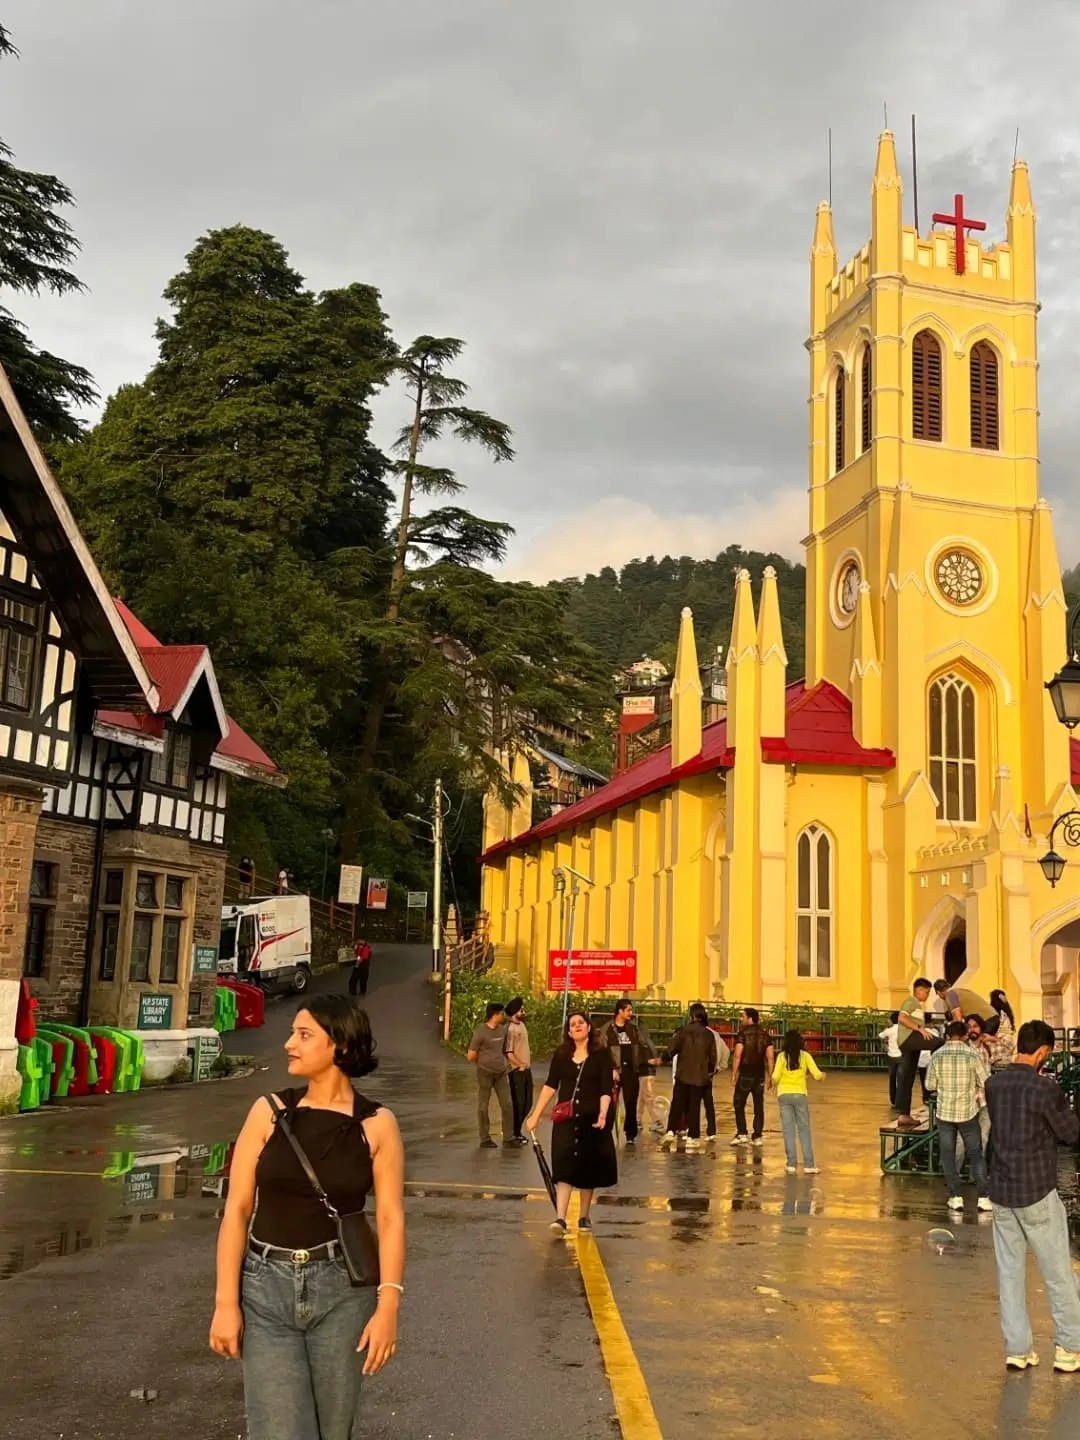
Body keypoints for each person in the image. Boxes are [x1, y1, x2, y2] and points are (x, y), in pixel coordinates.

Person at [209, 996, 405, 1440]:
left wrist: (388, 1306)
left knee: (333, 1432)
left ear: (338, 1044)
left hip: (343, 1293)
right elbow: (237, 1210)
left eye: (303, 1035)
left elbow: (391, 1218)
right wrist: (226, 1303)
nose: (287, 1045)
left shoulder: (376, 1124)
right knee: (278, 1430)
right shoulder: (269, 1112)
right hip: (265, 1289)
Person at [985, 1019, 1080, 1373]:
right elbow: (1070, 1133)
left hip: (1002, 1190)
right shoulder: (1045, 1089)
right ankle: (1070, 1347)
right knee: (1058, 1272)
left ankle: (1018, 1349)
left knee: (1009, 1272)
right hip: (1037, 1189)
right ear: (1042, 1052)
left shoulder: (994, 1084)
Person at [526, 1010, 616, 1233]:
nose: (576, 1026)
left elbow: (606, 1089)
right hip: (565, 1120)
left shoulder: (601, 1055)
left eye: (580, 1023)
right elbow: (550, 1086)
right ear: (568, 1031)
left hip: (592, 1119)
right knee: (564, 1165)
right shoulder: (561, 1054)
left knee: (588, 1169)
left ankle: (584, 1216)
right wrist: (535, 1115)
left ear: (588, 1027)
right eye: (572, 1024)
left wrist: (603, 1113)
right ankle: (560, 1218)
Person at [925, 1019, 991, 1212]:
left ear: (947, 1035)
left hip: (944, 1113)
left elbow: (929, 1085)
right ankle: (983, 1197)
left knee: (947, 1154)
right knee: (976, 1154)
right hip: (968, 1113)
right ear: (964, 1036)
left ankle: (955, 1197)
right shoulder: (972, 1055)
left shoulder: (937, 1056)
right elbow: (985, 1080)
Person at [662, 1003, 718, 1152]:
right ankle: (693, 1137)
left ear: (692, 1016)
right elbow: (713, 1057)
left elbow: (671, 1049)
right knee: (694, 1107)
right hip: (700, 1076)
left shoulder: (683, 1031)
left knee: (677, 1104)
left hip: (682, 1074)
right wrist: (710, 1072)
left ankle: (670, 1131)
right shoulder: (708, 1034)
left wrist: (663, 1059)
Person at [772, 1030, 824, 1174]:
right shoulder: (805, 1056)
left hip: (784, 1095)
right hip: (800, 1095)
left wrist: (772, 1083)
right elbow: (817, 1075)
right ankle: (809, 1165)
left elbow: (775, 1076)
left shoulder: (782, 1057)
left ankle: (791, 1164)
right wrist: (822, 1076)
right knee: (804, 1130)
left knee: (788, 1131)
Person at [467, 1002, 516, 1148]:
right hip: (485, 1073)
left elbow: (504, 1050)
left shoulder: (502, 1030)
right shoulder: (480, 1032)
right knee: (483, 1106)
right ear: (494, 1015)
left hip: (501, 1072)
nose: (503, 1016)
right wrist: (481, 1063)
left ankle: (508, 1136)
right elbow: (471, 1055)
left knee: (507, 1104)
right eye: (501, 1013)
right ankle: (484, 1138)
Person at [895, 978, 943, 1128]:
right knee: (939, 1043)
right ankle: (935, 1073)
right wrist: (919, 1028)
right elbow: (902, 1018)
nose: (927, 995)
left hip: (910, 1042)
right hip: (909, 1038)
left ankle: (904, 1114)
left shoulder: (917, 1006)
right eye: (927, 992)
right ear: (919, 990)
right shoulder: (911, 1001)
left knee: (907, 1078)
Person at [731, 1007, 774, 1146]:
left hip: (745, 1074)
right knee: (758, 1105)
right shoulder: (765, 1035)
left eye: (743, 1016)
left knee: (739, 1103)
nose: (742, 1019)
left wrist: (734, 1074)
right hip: (759, 1075)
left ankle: (742, 1132)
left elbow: (737, 1055)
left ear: (750, 1018)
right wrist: (770, 1077)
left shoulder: (742, 1034)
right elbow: (770, 1058)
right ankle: (757, 1136)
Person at [603, 999, 644, 1145]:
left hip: (631, 1071)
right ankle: (606, 1131)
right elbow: (602, 1051)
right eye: (628, 1010)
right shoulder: (608, 1029)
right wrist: (611, 1069)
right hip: (615, 1071)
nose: (631, 1013)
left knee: (631, 1103)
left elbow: (641, 1046)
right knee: (610, 1103)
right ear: (620, 1011)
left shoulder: (633, 1029)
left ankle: (630, 1133)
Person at [505, 997, 533, 1142]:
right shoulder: (511, 1029)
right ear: (515, 1011)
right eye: (521, 1009)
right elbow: (508, 1052)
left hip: (526, 1069)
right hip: (517, 1071)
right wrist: (519, 1064)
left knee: (528, 1102)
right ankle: (515, 1133)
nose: (524, 1012)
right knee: (519, 1103)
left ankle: (517, 1130)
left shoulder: (521, 1025)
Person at [880, 1012, 902, 1106]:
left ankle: (893, 1100)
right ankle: (901, 1099)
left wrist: (885, 1044)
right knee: (902, 1080)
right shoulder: (903, 1029)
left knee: (892, 1079)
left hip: (891, 1056)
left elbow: (880, 1035)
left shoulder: (890, 1030)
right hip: (902, 1056)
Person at [988, 989, 1017, 1055]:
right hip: (1009, 1044)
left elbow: (990, 1031)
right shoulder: (1008, 1014)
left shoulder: (995, 1015)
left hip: (999, 1045)